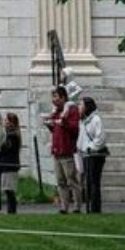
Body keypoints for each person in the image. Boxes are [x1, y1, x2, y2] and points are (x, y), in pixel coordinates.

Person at [43, 85, 81, 214]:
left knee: (71, 179)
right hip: (57, 150)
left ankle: (77, 206)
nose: (54, 100)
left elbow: (74, 129)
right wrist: (50, 125)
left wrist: (63, 121)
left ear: (63, 97)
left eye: (56, 97)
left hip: (67, 149)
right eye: (52, 97)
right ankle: (64, 207)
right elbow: (55, 129)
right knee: (60, 180)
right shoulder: (56, 111)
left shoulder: (71, 109)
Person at [77, 95, 108, 214]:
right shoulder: (84, 120)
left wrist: (91, 148)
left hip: (95, 155)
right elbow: (81, 138)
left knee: (94, 181)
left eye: (81, 105)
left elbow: (100, 138)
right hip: (86, 154)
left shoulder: (96, 120)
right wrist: (80, 148)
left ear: (87, 107)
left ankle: (95, 208)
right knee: (88, 182)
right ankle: (89, 208)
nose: (79, 107)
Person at [0, 112, 22, 214]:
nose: (4, 122)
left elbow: (5, 148)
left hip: (10, 164)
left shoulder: (12, 135)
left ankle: (12, 210)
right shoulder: (10, 134)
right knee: (7, 188)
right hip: (7, 164)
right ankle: (11, 210)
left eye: (6, 120)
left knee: (9, 189)